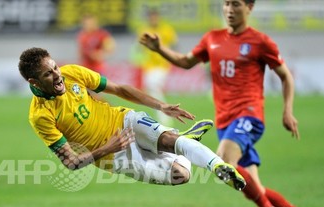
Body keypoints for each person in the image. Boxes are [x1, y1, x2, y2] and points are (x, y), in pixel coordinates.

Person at [139, 0, 323, 207]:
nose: (229, 10)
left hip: (248, 115)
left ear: (249, 7)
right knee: (248, 184)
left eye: (235, 4)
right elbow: (185, 62)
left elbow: (285, 76)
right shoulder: (212, 38)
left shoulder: (260, 42)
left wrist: (287, 111)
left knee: (223, 163)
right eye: (226, 4)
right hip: (225, 120)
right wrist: (160, 49)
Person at [18, 47, 245, 192]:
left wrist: (160, 105)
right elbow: (71, 162)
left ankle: (218, 167)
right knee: (181, 175)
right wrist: (108, 147)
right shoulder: (40, 115)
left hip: (124, 121)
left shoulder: (72, 74)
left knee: (167, 140)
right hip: (112, 157)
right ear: (34, 82)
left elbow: (119, 90)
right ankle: (184, 143)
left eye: (55, 67)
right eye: (48, 74)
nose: (57, 75)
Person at [134, 8, 178, 126]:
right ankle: (164, 114)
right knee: (152, 89)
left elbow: (174, 45)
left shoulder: (166, 30)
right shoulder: (144, 30)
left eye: (155, 17)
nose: (153, 19)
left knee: (152, 85)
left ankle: (164, 114)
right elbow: (139, 48)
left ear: (158, 17)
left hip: (162, 64)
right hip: (148, 65)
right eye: (151, 17)